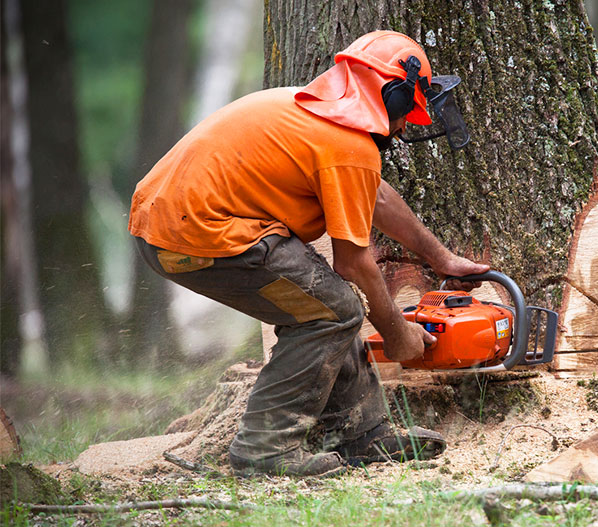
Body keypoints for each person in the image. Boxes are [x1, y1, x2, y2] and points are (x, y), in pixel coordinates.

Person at [128, 30, 488, 477]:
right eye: (406, 112)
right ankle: (264, 450)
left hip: (165, 226)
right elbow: (353, 263)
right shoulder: (347, 144)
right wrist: (398, 335)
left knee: (326, 305)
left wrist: (441, 258)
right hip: (201, 234)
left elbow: (374, 195)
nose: (404, 125)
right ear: (392, 96)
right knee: (333, 310)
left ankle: (362, 433)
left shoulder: (314, 114)